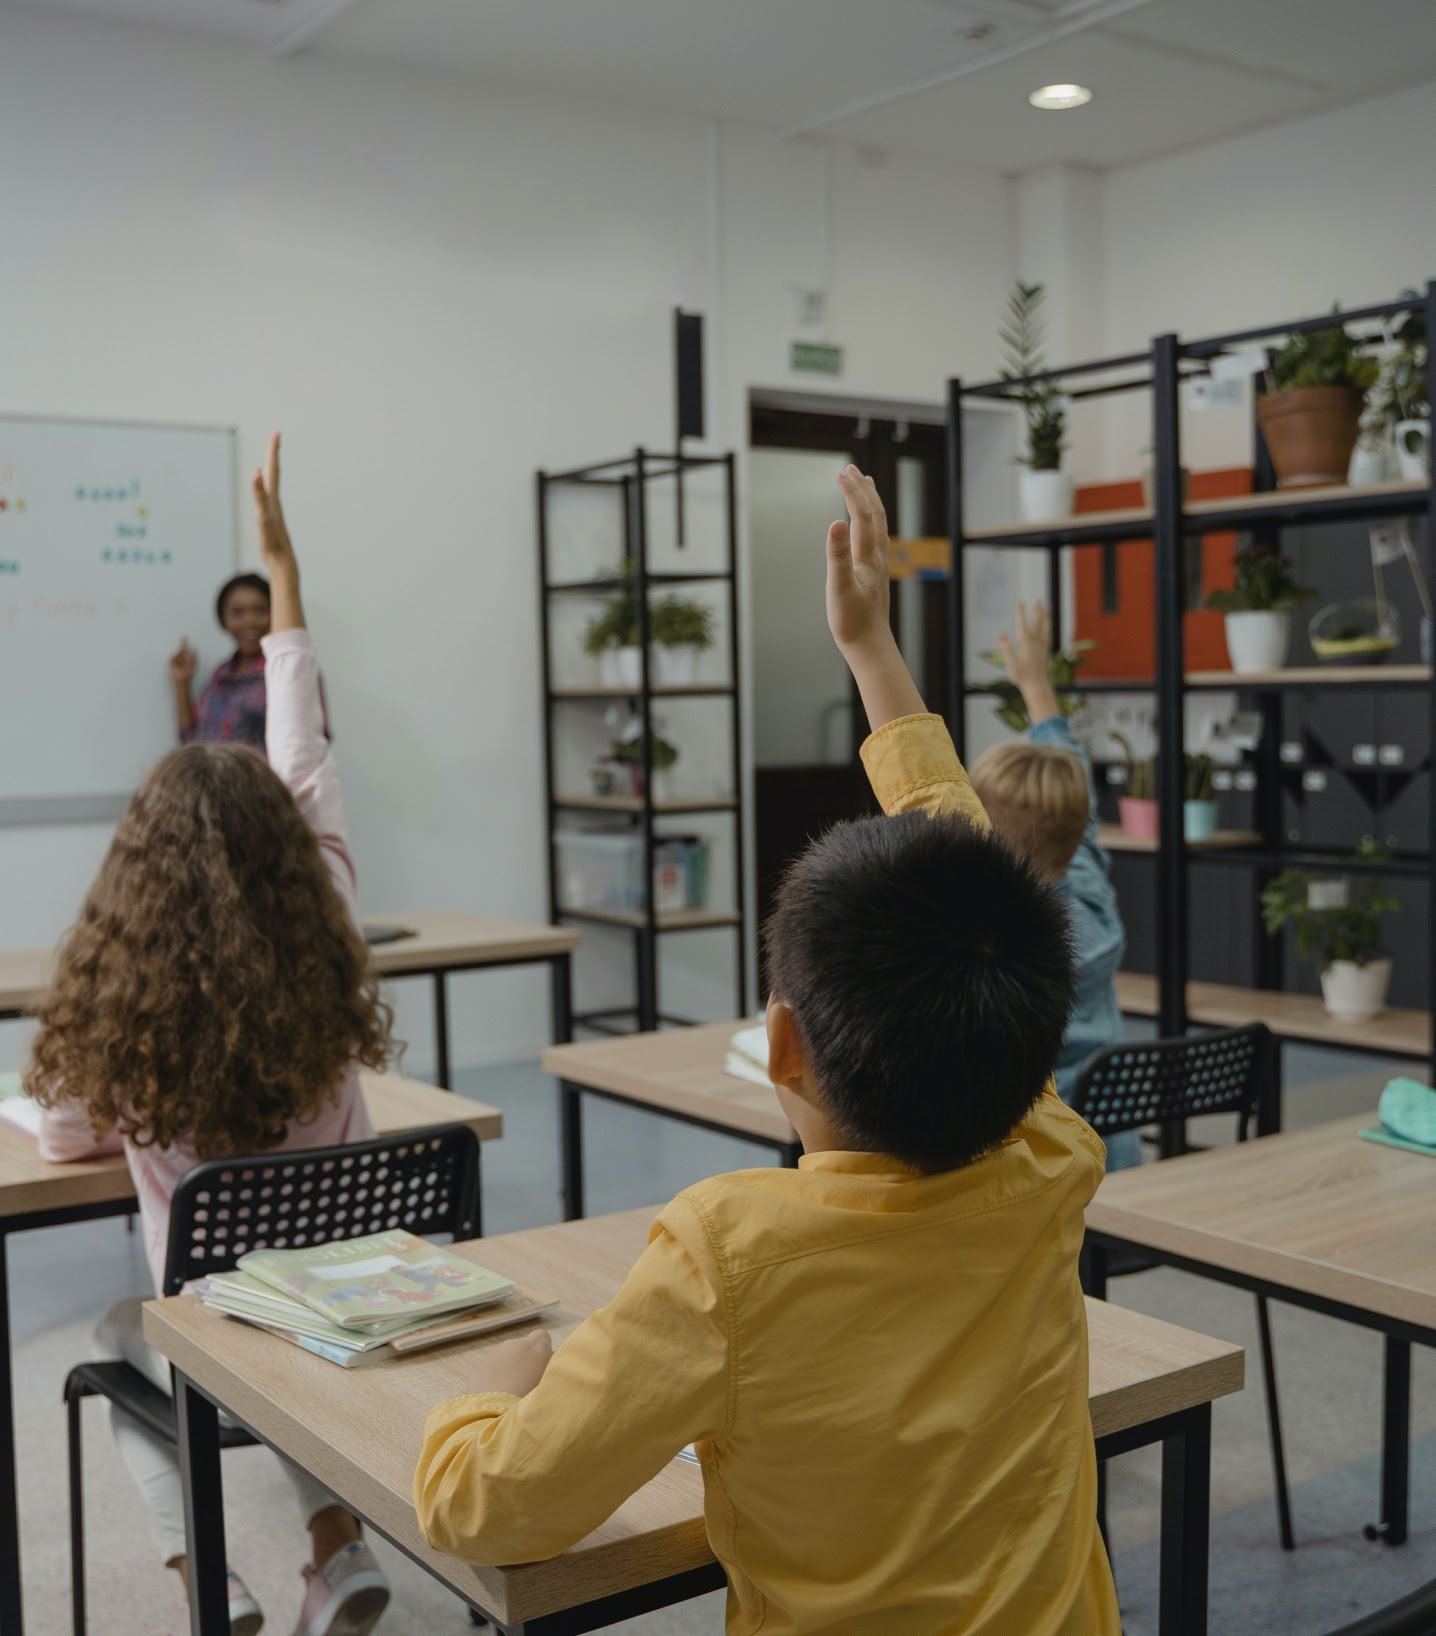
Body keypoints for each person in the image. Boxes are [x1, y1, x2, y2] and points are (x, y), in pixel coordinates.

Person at [412, 466, 1119, 1636]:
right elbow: (961, 855)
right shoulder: (1045, 1151)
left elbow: (486, 1508)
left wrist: (479, 1402)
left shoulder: (725, 1255)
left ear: (780, 1043)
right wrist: (871, 652)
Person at [32, 435, 393, 1636]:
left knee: (128, 1331)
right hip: (345, 1297)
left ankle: (208, 1584)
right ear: (294, 851)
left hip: (222, 1321)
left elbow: (72, 1136)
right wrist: (285, 564)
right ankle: (337, 1547)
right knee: (280, 1326)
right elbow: (301, 744)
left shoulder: (123, 1009)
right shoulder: (330, 912)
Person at [972, 601, 1140, 1170]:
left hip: (1039, 1176)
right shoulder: (1086, 880)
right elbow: (1076, 796)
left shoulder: (1001, 946)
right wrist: (1035, 684)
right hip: (1113, 1154)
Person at [169, 572, 272, 752]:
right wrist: (181, 683)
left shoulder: (289, 673)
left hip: (263, 780)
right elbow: (192, 741)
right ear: (223, 620)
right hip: (211, 780)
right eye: (237, 612)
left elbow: (307, 748)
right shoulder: (220, 676)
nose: (250, 621)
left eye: (260, 610)